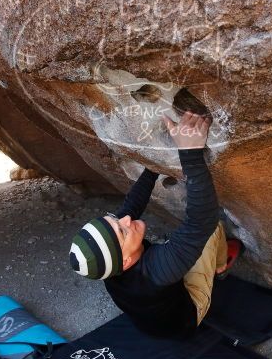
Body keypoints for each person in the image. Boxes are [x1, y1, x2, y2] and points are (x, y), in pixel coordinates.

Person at [68, 111, 242, 338]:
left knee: (181, 247)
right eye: (122, 230)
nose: (126, 220)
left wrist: (153, 167)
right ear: (127, 260)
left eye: (114, 219)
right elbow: (202, 221)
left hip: (150, 322)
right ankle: (219, 266)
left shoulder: (109, 264)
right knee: (212, 231)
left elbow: (131, 206)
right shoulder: (157, 272)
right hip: (186, 318)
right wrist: (190, 152)